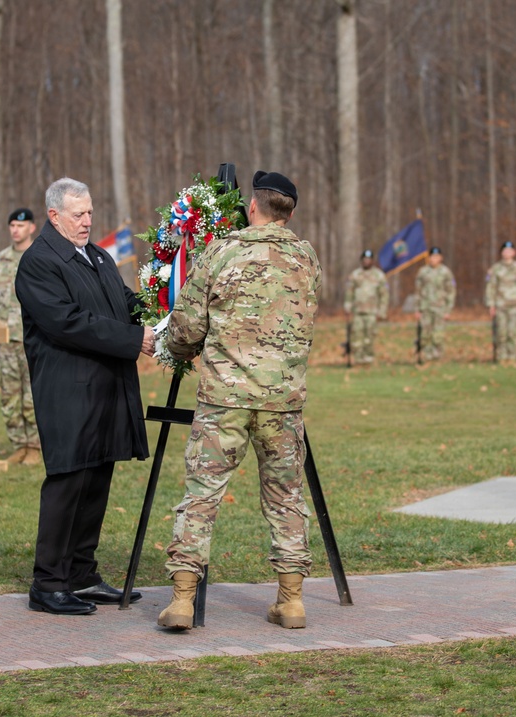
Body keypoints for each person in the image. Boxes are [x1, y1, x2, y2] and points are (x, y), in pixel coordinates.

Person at [158, 170, 321, 630]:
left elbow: (186, 328)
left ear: (253, 206)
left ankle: (183, 602)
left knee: (202, 496)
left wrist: (179, 351)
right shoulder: (307, 259)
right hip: (282, 403)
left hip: (223, 400)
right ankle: (291, 601)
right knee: (287, 497)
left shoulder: (222, 250)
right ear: (289, 212)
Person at [14, 177, 153, 616]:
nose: (87, 221)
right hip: (68, 391)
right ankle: (49, 582)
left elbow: (121, 302)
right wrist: (135, 340)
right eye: (78, 214)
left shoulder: (96, 256)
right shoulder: (39, 262)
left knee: (97, 479)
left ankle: (81, 574)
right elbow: (68, 322)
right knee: (69, 481)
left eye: (90, 212)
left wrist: (159, 301)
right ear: (54, 216)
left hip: (106, 388)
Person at [0, 208, 41, 465]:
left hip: (33, 337)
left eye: (21, 225)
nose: (15, 230)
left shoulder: (39, 259)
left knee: (33, 393)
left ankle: (37, 446)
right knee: (10, 395)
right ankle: (19, 444)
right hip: (6, 339)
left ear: (32, 227)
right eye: (12, 225)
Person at [484, 240, 516, 361]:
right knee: (501, 332)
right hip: (500, 305)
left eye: (510, 250)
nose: (507, 253)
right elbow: (491, 287)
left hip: (514, 304)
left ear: (514, 252)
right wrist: (491, 305)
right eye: (505, 250)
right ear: (501, 253)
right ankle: (500, 356)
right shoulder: (495, 269)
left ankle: (512, 356)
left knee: (512, 332)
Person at [343, 249, 388, 364]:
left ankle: (368, 358)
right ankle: (358, 358)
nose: (366, 262)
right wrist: (347, 306)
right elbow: (349, 292)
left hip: (372, 311)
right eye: (364, 260)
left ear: (372, 261)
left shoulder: (379, 275)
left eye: (369, 260)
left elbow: (384, 294)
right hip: (357, 311)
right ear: (361, 261)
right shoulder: (355, 275)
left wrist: (382, 311)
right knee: (357, 336)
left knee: (370, 336)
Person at [414, 247, 456, 362]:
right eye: (432, 256)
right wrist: (417, 309)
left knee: (438, 334)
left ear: (441, 258)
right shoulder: (423, 272)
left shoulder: (446, 272)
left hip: (440, 307)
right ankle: (425, 356)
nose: (434, 259)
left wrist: (448, 310)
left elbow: (450, 292)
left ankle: (437, 356)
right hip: (425, 307)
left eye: (437, 257)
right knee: (425, 334)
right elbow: (417, 291)